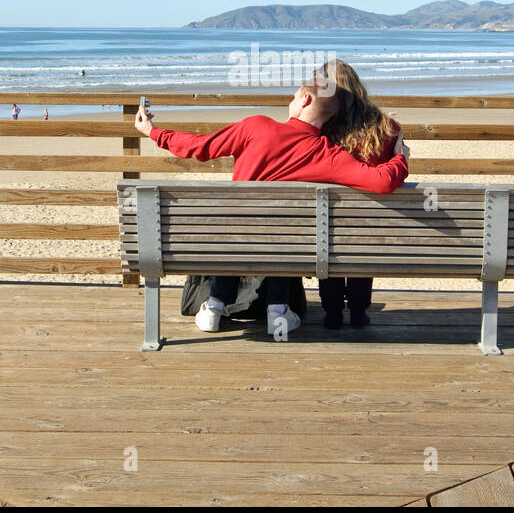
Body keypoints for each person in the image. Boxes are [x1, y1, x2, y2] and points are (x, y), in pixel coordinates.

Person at [133, 69, 409, 338]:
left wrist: (153, 132)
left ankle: (214, 307)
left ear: (305, 100)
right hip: (278, 246)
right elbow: (382, 182)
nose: (289, 101)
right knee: (286, 231)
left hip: (227, 242)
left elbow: (199, 147)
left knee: (235, 224)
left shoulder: (256, 126)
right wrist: (400, 156)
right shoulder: (327, 153)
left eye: (293, 96)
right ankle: (277, 310)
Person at [314, 60, 400, 329]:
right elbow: (394, 172)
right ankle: (360, 311)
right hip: (370, 220)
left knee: (328, 241)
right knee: (363, 236)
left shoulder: (320, 129)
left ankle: (332, 312)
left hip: (326, 220)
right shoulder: (387, 126)